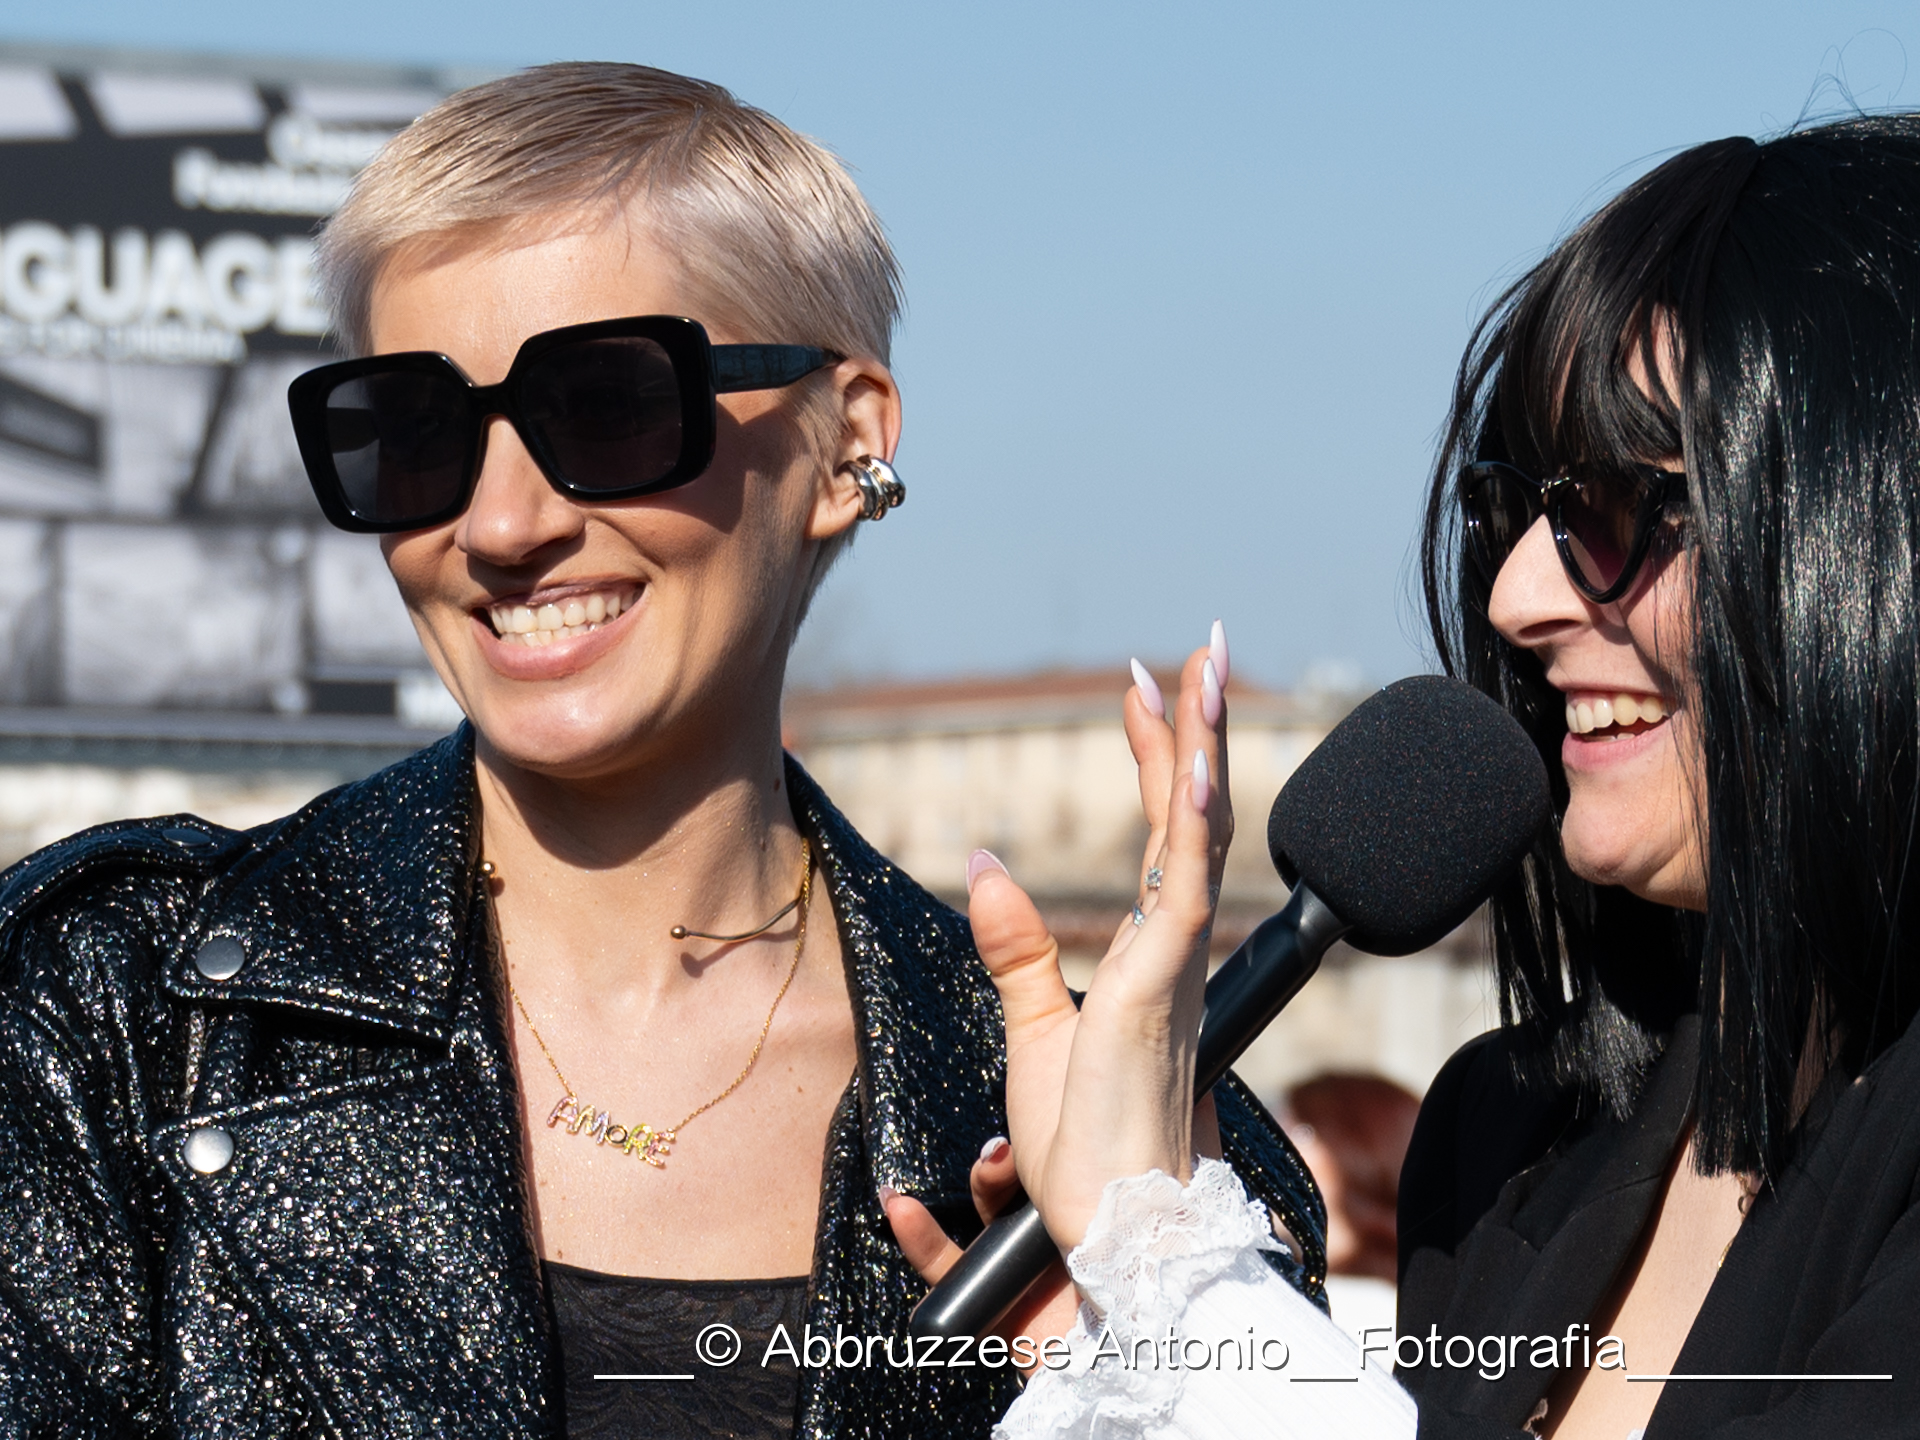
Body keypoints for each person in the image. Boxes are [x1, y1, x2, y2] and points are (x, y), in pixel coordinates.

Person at [0, 64, 1319, 1440]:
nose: (502, 526)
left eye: (608, 408)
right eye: (415, 431)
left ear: (844, 443)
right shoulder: (114, 1016)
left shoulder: (1120, 1145)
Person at [949, 113, 1920, 1440]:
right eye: (1518, 509)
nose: (1520, 596)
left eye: (1619, 511)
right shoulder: (1502, 1133)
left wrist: (1177, 1270)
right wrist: (1123, 1357)